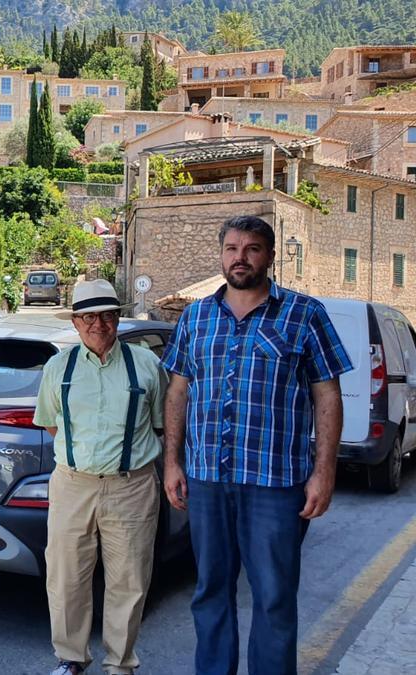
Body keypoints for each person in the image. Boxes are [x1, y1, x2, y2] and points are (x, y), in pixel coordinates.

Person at [160, 215, 350, 675]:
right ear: (221, 254)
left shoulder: (305, 314)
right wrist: (172, 462)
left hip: (275, 484)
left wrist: (324, 472)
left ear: (269, 255)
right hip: (207, 480)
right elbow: (178, 391)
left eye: (251, 248)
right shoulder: (196, 316)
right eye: (231, 248)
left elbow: (327, 395)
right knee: (210, 591)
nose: (240, 257)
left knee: (274, 596)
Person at [34, 279, 168, 675]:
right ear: (76, 323)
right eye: (89, 316)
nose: (98, 324)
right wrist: (84, 459)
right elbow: (52, 425)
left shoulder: (146, 365)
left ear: (118, 319)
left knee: (129, 579)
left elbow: (159, 424)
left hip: (132, 486)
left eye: (107, 315)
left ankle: (120, 664)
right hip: (73, 484)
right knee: (65, 576)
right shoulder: (59, 367)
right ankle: (71, 658)